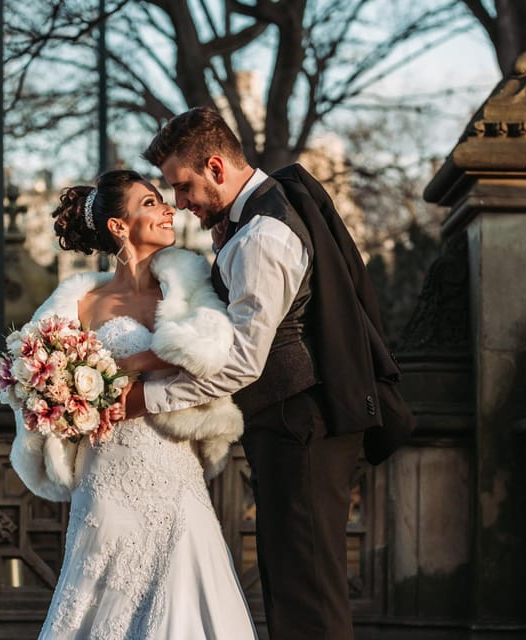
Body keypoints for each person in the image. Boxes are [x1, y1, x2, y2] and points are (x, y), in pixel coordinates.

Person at [124, 106, 411, 640]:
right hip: (289, 423)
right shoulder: (249, 220)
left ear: (215, 166)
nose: (180, 204)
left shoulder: (262, 236)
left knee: (308, 593)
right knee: (292, 582)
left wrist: (145, 399)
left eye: (183, 188)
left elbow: (241, 360)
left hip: (301, 424)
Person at [9, 169, 256, 639]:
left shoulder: (189, 291)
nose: (168, 210)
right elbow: (36, 388)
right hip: (104, 475)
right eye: (150, 203)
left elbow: (215, 355)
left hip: (174, 467)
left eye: (164, 201)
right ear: (119, 227)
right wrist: (62, 396)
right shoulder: (79, 304)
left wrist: (133, 362)